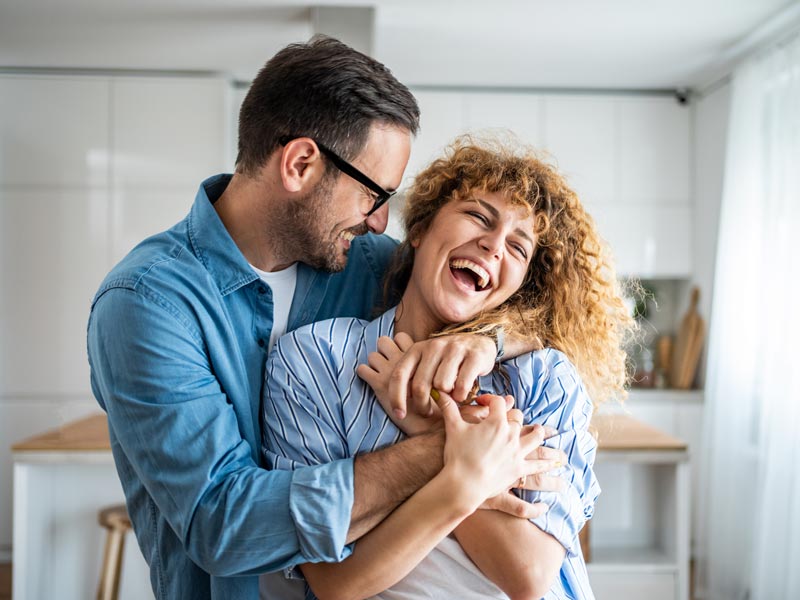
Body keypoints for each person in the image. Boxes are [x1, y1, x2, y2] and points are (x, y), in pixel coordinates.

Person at [87, 37, 546, 599]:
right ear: (301, 164)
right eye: (374, 194)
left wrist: (490, 340)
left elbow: (507, 294)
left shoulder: (368, 261)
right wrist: (451, 449)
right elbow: (223, 525)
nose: (380, 223)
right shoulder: (146, 304)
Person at [262, 137, 635, 599]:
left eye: (518, 248)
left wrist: (435, 426)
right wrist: (467, 463)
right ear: (419, 229)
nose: (494, 246)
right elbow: (335, 583)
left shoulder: (542, 377)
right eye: (478, 216)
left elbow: (530, 576)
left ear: (519, 284)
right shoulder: (313, 361)